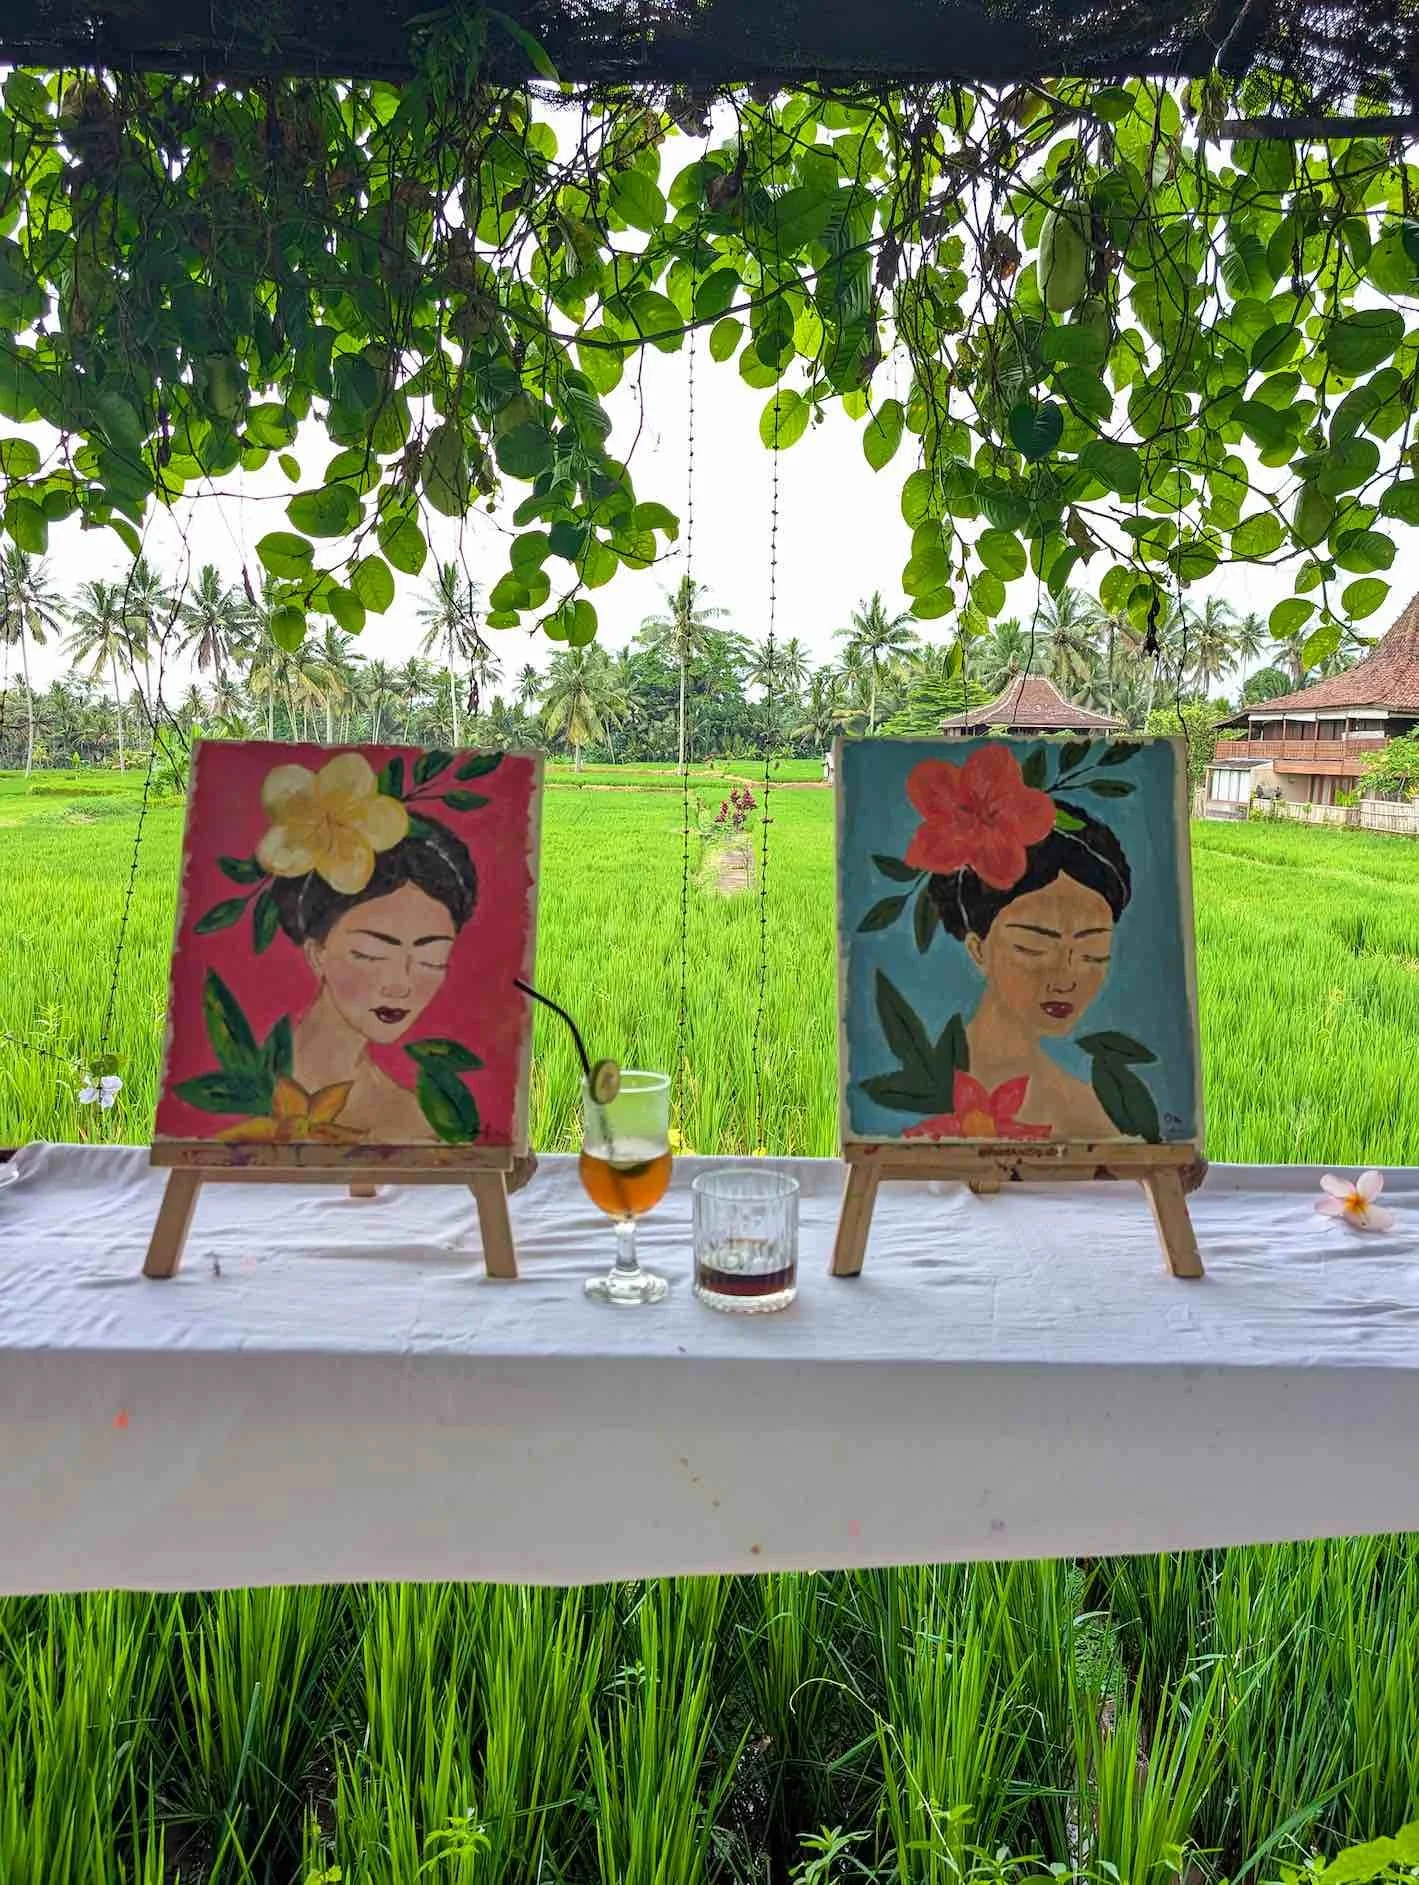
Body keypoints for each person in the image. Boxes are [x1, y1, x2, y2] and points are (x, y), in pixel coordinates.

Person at [923, 802, 1131, 1139]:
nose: (1066, 978)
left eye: (1092, 952)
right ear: (978, 949)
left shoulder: (1086, 1116)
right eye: (1034, 946)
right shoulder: (912, 1082)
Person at [270, 820, 476, 1143]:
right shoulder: (248, 1088)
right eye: (372, 953)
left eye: (431, 960)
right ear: (316, 953)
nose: (401, 985)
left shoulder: (409, 1119)